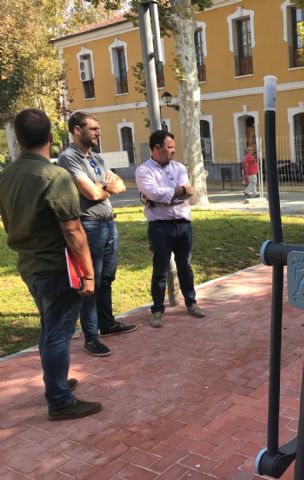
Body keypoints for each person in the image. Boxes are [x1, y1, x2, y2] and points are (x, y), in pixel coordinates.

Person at [0, 109, 102, 420]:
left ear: (18, 140)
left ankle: (54, 382)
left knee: (49, 328)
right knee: (58, 332)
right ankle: (59, 400)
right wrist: (87, 273)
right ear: (50, 138)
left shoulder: (6, 176)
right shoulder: (55, 177)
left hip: (29, 265)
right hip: (57, 267)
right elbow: (73, 230)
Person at [58, 112, 136, 358]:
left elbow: (121, 185)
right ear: (77, 130)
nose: (98, 133)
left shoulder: (98, 158)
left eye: (98, 129)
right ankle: (91, 337)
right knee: (90, 283)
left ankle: (107, 323)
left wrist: (105, 188)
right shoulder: (68, 157)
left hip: (109, 223)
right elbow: (90, 193)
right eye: (93, 129)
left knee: (107, 278)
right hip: (90, 225)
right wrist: (106, 187)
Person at [135, 130, 206, 328]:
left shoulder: (179, 168)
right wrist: (176, 193)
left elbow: (187, 192)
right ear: (156, 148)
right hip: (160, 227)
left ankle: (191, 303)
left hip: (183, 224)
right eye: (169, 147)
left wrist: (167, 195)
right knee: (160, 269)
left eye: (173, 147)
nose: (173, 151)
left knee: (186, 266)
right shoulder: (143, 171)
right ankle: (157, 310)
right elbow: (152, 193)